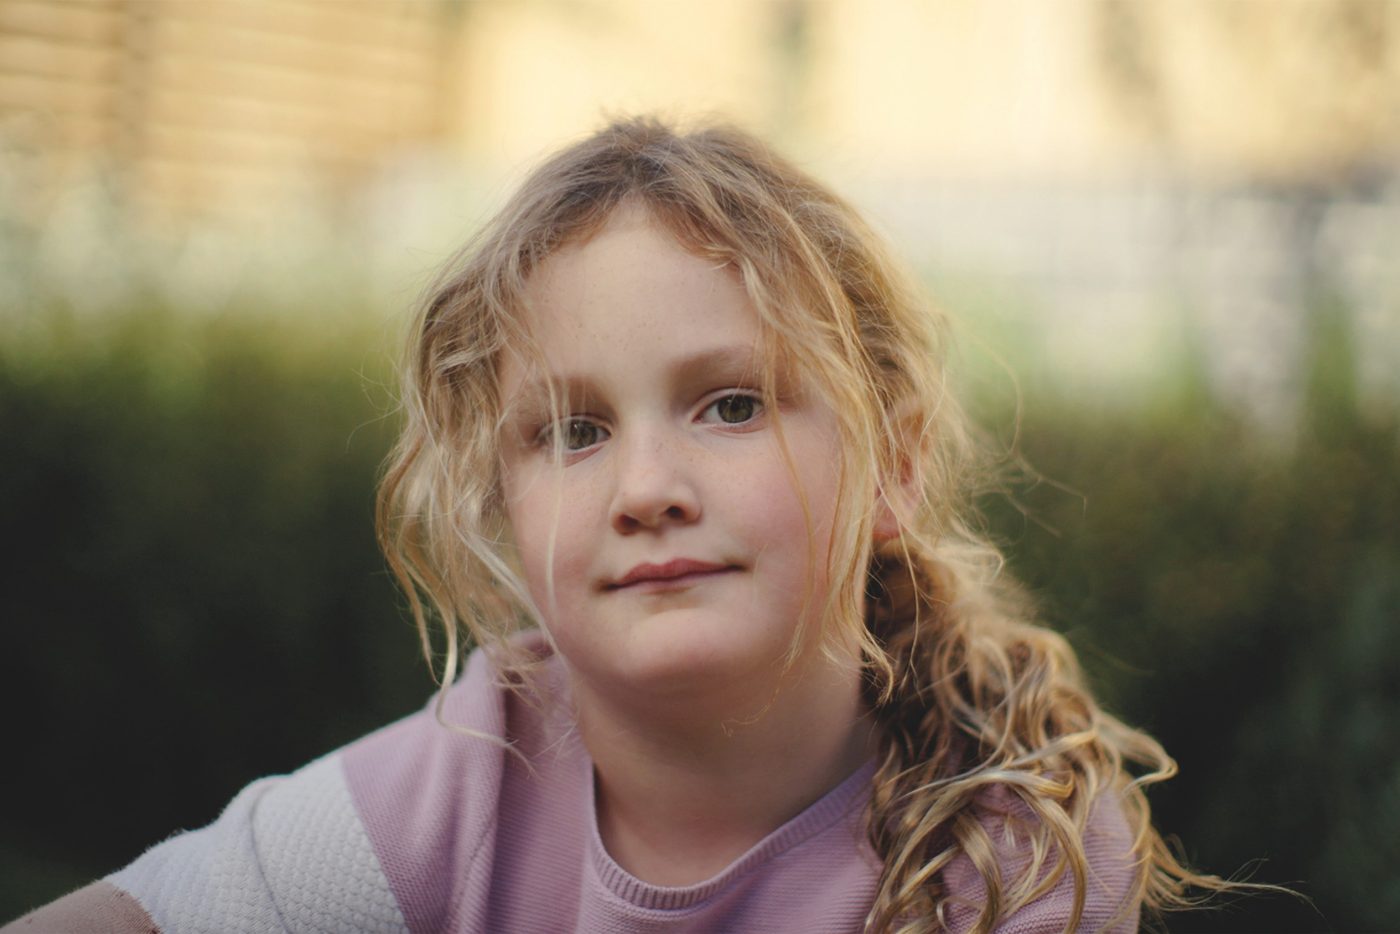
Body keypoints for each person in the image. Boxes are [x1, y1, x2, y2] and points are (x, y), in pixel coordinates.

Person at [6, 116, 1228, 933]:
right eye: (573, 431)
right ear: (501, 502)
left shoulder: (1015, 858)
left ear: (894, 467)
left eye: (731, 403)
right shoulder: (477, 769)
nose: (644, 484)